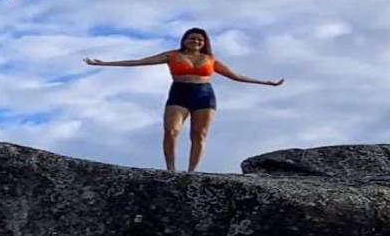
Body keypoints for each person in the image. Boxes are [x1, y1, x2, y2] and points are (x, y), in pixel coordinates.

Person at [85, 28, 284, 172]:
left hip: (204, 94)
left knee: (199, 135)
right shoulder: (172, 55)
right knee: (171, 131)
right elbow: (139, 61)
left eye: (199, 40)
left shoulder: (211, 59)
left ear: (204, 43)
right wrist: (105, 63)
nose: (196, 42)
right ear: (184, 40)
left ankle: (191, 171)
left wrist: (266, 82)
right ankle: (171, 168)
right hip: (179, 92)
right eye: (192, 38)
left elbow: (236, 76)